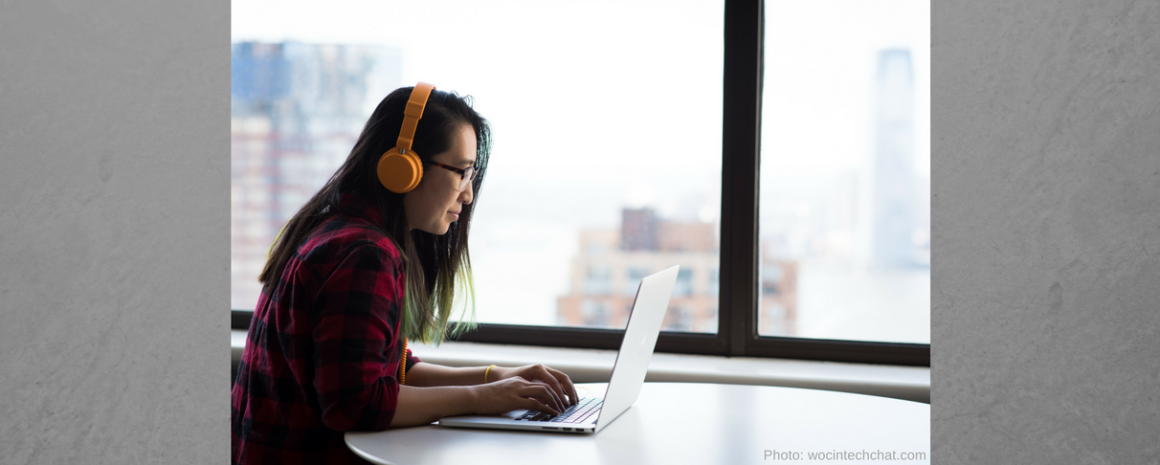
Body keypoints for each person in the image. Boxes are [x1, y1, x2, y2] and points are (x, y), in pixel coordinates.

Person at [231, 84, 578, 464]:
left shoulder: (338, 230)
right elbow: (356, 403)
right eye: (462, 172)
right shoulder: (364, 254)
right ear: (403, 166)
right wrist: (482, 399)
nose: (468, 194)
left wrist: (494, 377)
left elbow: (391, 368)